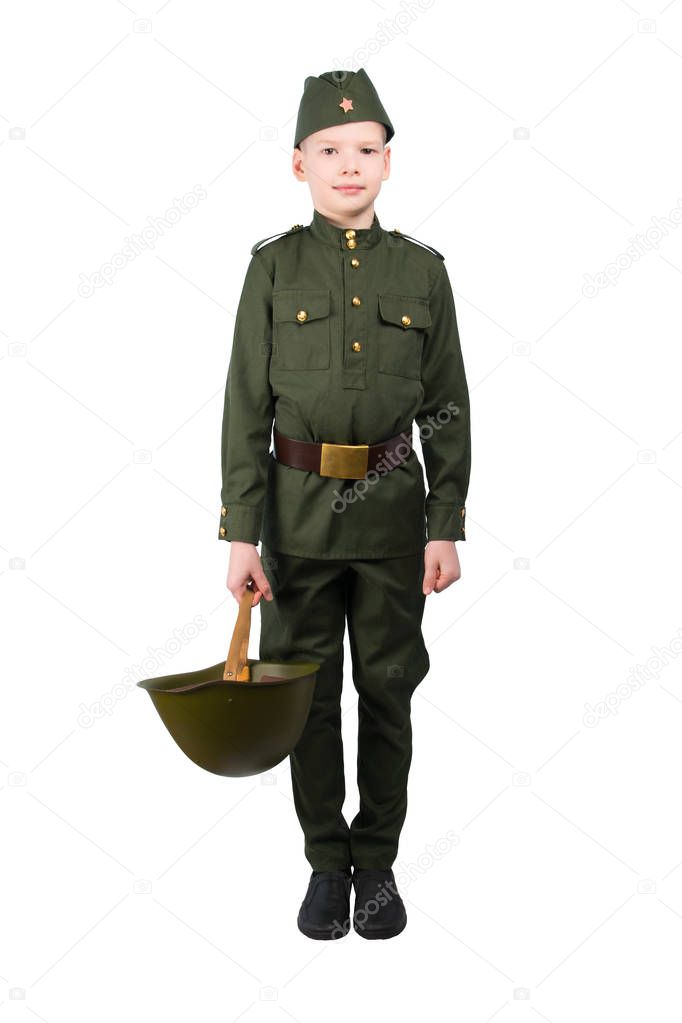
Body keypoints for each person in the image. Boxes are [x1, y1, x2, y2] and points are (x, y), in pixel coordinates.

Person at [218, 67, 471, 940]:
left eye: (365, 150)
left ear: (388, 163)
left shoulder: (422, 273)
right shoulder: (273, 269)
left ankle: (381, 865)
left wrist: (447, 524)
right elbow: (246, 407)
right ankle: (328, 863)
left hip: (395, 522)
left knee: (389, 691)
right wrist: (241, 534)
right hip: (295, 523)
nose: (348, 165)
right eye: (329, 150)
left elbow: (449, 407)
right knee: (308, 695)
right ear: (299, 165)